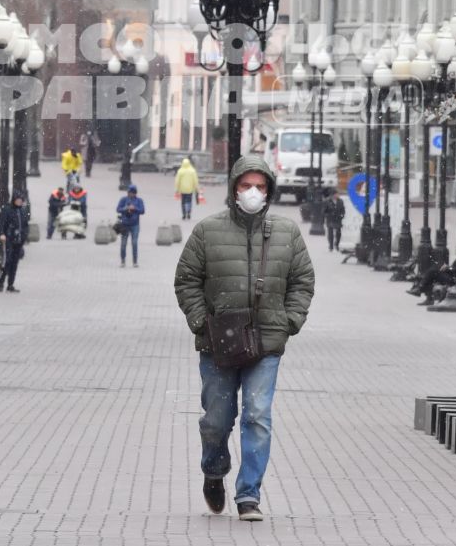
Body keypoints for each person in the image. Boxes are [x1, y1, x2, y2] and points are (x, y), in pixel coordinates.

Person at [172, 155, 315, 521]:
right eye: (246, 185)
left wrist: (290, 321)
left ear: (269, 190)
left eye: (260, 186)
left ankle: (249, 495)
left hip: (266, 342)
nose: (253, 192)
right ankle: (214, 470)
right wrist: (201, 321)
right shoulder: (207, 231)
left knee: (257, 416)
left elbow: (302, 281)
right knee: (217, 419)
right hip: (218, 341)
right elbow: (187, 279)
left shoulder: (286, 232)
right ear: (234, 188)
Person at [0, 190, 31, 292]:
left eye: (21, 200)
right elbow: (1, 223)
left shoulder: (23, 211)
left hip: (19, 240)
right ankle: (1, 281)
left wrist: (25, 235)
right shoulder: (7, 209)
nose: (20, 202)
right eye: (18, 200)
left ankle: (10, 284)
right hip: (9, 238)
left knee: (15, 262)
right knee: (8, 261)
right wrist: (1, 233)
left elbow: (25, 225)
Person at [116, 184, 146, 267]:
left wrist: (134, 208)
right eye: (130, 192)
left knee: (134, 243)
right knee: (123, 244)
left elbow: (142, 211)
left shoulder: (139, 200)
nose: (131, 194)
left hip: (135, 225)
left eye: (133, 192)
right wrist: (125, 208)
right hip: (125, 224)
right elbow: (118, 209)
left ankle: (135, 261)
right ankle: (123, 260)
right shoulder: (123, 199)